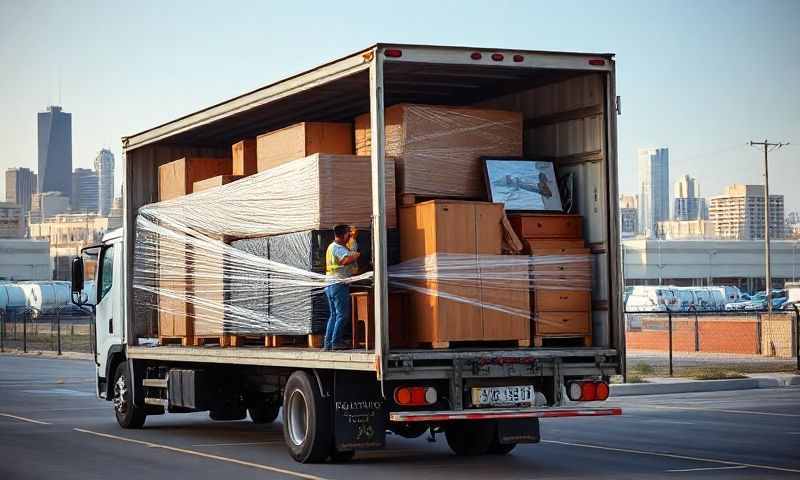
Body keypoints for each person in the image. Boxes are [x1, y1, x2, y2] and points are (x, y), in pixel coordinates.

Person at [323, 224, 361, 350]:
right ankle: (335, 342)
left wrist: (353, 239)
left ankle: (328, 343)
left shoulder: (332, 246)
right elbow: (345, 260)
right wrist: (355, 255)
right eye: (348, 234)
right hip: (338, 284)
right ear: (344, 235)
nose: (349, 236)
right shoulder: (338, 248)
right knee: (342, 315)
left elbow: (348, 250)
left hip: (330, 284)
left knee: (334, 315)